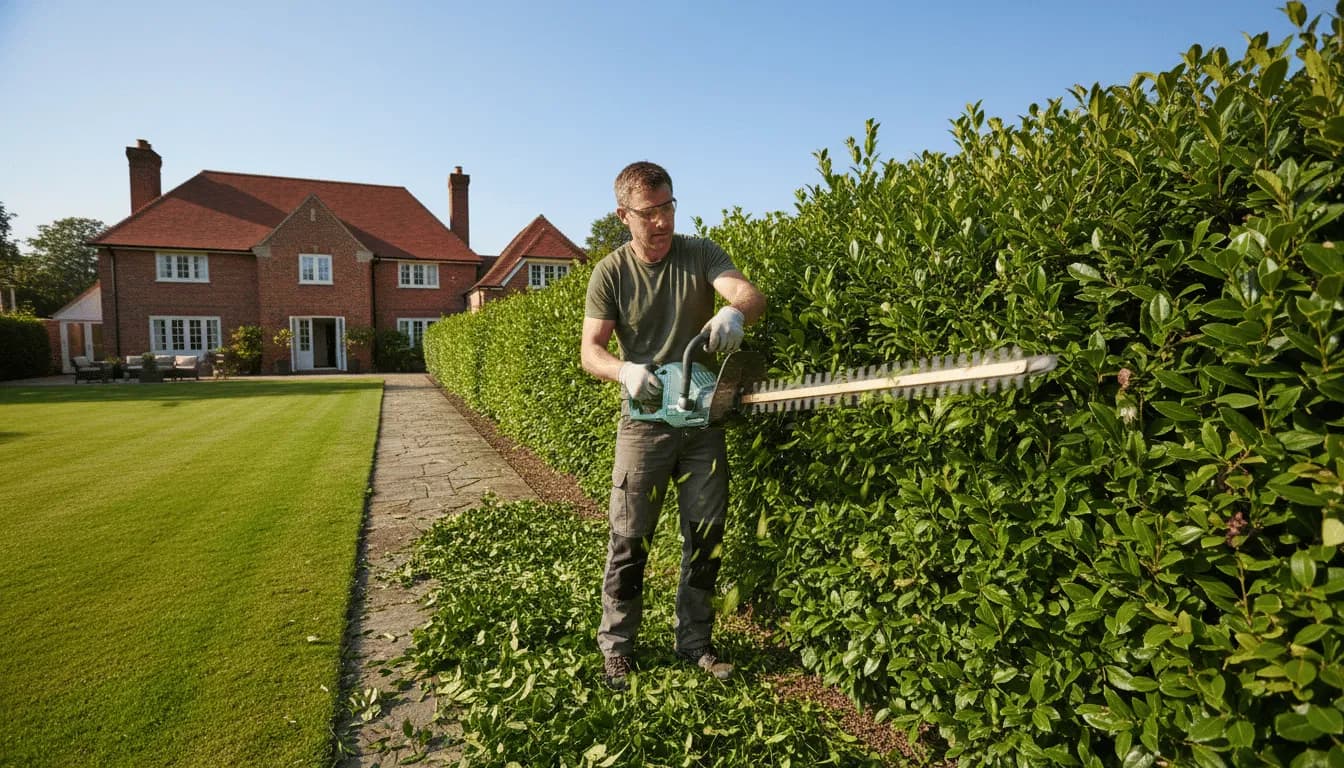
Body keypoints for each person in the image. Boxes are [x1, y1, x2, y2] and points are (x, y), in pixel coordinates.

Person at [581, 161, 766, 691]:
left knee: (705, 539)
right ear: (624, 215)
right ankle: (616, 648)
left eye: (668, 208)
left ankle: (696, 644)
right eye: (648, 213)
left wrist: (736, 313)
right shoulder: (610, 273)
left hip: (703, 420)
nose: (661, 222)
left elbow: (748, 293)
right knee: (629, 539)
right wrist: (624, 371)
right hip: (644, 426)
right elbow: (589, 352)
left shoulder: (699, 253)